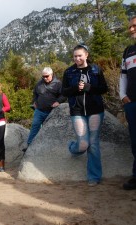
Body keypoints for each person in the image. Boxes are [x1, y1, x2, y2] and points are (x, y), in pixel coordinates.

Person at [62, 43, 108, 187]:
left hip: (95, 110)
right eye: (75, 56)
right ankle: (72, 147)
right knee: (83, 144)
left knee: (93, 144)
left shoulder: (96, 70)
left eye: (80, 55)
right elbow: (64, 92)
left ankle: (94, 176)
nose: (77, 59)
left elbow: (104, 88)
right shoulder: (69, 72)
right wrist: (76, 88)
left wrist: (89, 87)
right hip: (77, 111)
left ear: (86, 55)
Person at [27, 67, 66, 146]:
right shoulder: (39, 84)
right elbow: (35, 94)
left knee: (51, 129)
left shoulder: (58, 84)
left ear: (51, 75)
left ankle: (51, 146)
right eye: (43, 76)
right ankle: (29, 145)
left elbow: (64, 95)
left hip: (52, 112)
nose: (45, 78)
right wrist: (34, 102)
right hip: (39, 110)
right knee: (35, 125)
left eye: (47, 76)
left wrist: (58, 102)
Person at [120, 16, 136, 190]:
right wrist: (122, 95)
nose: (131, 29)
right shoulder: (128, 51)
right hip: (132, 103)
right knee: (135, 141)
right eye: (130, 27)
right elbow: (123, 76)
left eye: (134, 26)